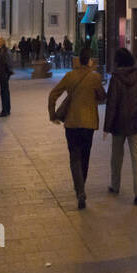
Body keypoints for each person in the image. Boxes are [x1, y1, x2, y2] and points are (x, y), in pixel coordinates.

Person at [48, 46, 107, 210]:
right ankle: (81, 187)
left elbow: (53, 94)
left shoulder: (70, 76)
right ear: (89, 61)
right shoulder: (94, 77)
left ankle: (79, 190)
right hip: (88, 123)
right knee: (85, 156)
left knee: (74, 157)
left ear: (77, 60)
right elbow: (102, 96)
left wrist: (52, 114)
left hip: (72, 123)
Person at [104, 48, 137, 205]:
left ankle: (115, 185)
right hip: (136, 122)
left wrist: (107, 127)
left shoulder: (116, 78)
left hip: (118, 124)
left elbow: (111, 104)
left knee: (116, 156)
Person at [0, 35, 14, 117]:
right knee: (6, 92)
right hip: (4, 74)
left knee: (4, 93)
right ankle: (7, 109)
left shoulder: (3, 52)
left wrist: (6, 73)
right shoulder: (5, 50)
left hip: (3, 75)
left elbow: (6, 64)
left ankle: (4, 110)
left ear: (0, 42)